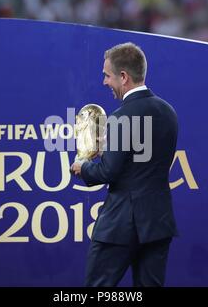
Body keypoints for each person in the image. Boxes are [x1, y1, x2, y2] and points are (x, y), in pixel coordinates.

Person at [70, 42, 179, 287]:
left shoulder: (121, 117)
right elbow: (139, 162)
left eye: (107, 76)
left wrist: (82, 166)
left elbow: (108, 171)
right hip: (158, 223)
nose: (105, 82)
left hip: (121, 225)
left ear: (123, 76)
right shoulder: (168, 112)